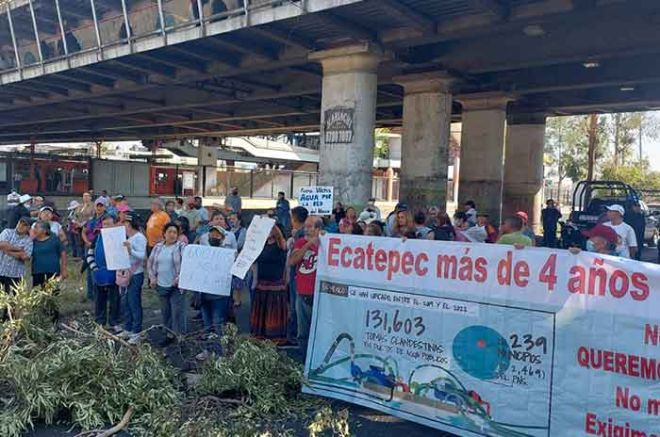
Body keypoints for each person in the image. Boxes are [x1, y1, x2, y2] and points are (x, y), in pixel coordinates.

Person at [289, 216, 322, 361]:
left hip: (320, 295)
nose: (306, 229)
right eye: (306, 226)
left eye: (310, 226)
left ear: (318, 229)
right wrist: (308, 245)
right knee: (302, 333)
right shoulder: (301, 242)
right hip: (302, 293)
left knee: (319, 332)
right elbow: (292, 261)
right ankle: (303, 362)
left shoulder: (327, 244)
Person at [147, 222, 187, 342]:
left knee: (178, 312)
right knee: (166, 312)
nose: (172, 235)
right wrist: (152, 278)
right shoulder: (158, 247)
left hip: (176, 286)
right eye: (169, 232)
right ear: (164, 234)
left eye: (175, 232)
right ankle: (169, 335)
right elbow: (150, 263)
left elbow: (187, 265)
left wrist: (179, 278)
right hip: (161, 285)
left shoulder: (181, 247)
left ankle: (181, 337)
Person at [250, 224, 288, 344]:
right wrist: (254, 281)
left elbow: (281, 239)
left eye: (270, 229)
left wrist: (269, 222)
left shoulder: (281, 244)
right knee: (262, 312)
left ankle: (275, 339)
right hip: (262, 283)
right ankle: (261, 338)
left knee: (273, 312)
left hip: (276, 284)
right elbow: (254, 263)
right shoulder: (260, 245)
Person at [87, 215, 120, 332]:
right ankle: (100, 322)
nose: (107, 226)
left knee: (115, 299)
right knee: (99, 299)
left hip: (115, 274)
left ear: (115, 225)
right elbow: (90, 254)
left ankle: (114, 322)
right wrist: (94, 268)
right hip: (99, 273)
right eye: (105, 224)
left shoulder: (120, 238)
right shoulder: (97, 238)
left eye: (110, 224)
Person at [199, 225, 232, 337]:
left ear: (222, 238)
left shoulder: (228, 254)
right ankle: (208, 351)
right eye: (212, 234)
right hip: (203, 295)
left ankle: (221, 352)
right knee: (207, 325)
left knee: (218, 324)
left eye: (217, 235)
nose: (214, 236)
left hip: (219, 296)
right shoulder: (201, 253)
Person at [120, 213, 147, 344]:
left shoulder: (139, 237)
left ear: (129, 224)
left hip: (136, 274)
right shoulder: (128, 237)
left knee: (134, 302)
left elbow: (142, 256)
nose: (123, 226)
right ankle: (128, 328)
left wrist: (131, 251)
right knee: (126, 302)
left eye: (124, 223)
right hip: (126, 273)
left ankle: (137, 332)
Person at [286, 206, 309, 345]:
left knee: (296, 307)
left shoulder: (301, 235)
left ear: (294, 218)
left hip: (298, 274)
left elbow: (294, 258)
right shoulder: (298, 233)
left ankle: (295, 336)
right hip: (296, 273)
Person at [0, 217, 33, 293]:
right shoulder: (7, 232)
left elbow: (24, 256)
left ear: (29, 228)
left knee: (14, 299)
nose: (21, 225)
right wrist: (18, 249)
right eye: (20, 222)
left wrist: (8, 251)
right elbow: (1, 244)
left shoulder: (28, 240)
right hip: (1, 270)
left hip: (16, 274)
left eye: (24, 225)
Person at [31, 220, 67, 287]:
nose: (34, 230)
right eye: (34, 227)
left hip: (52, 271)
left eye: (36, 227)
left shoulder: (54, 239)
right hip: (37, 272)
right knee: (38, 294)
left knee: (52, 293)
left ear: (45, 231)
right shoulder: (32, 242)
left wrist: (64, 269)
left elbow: (63, 253)